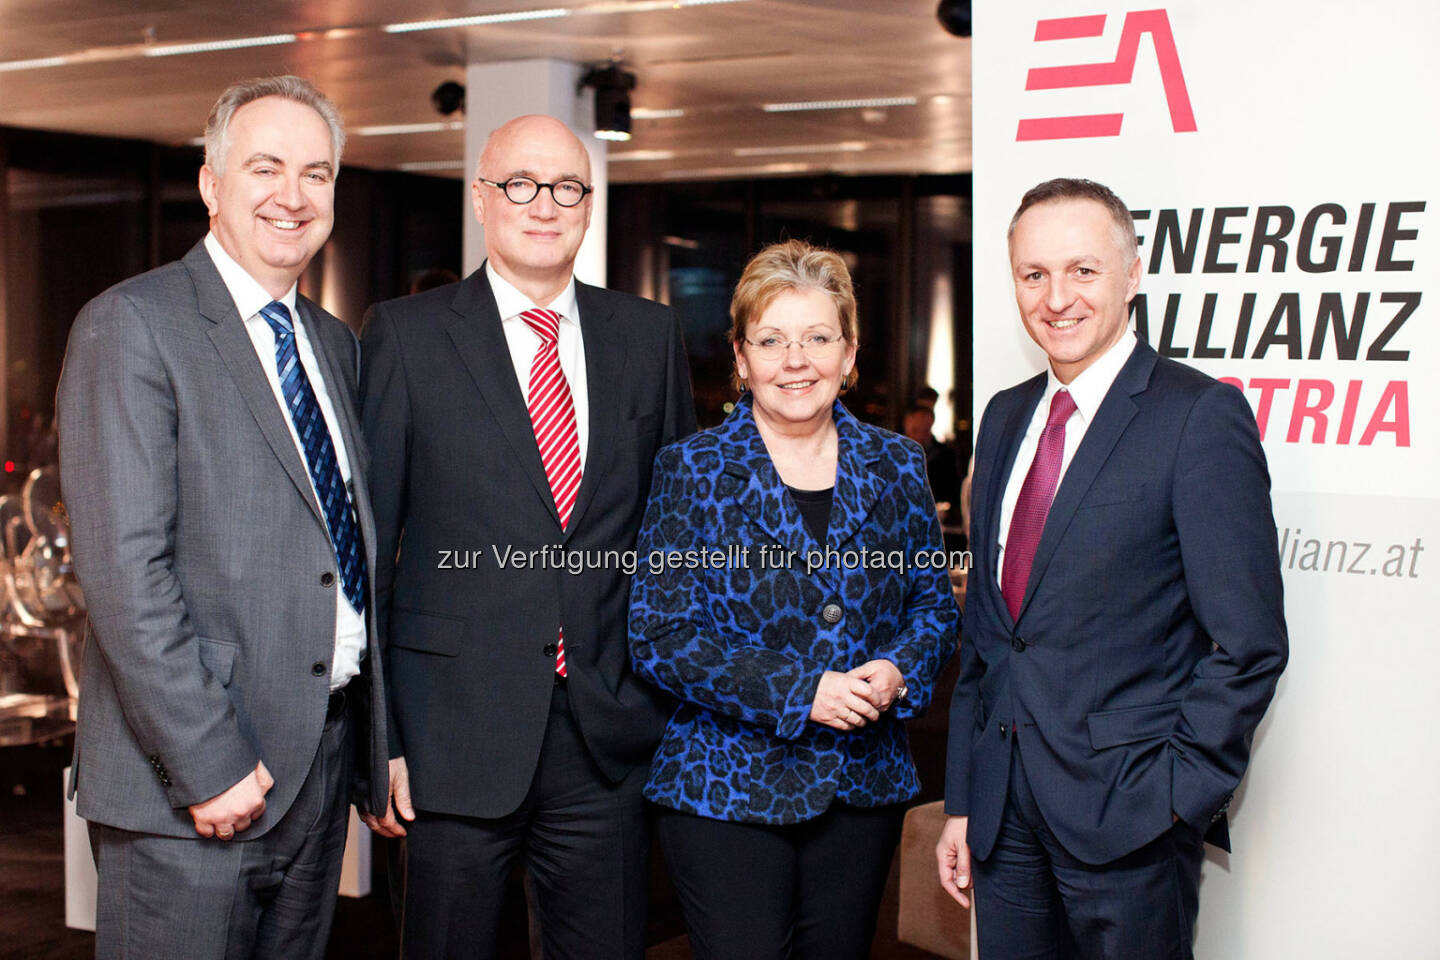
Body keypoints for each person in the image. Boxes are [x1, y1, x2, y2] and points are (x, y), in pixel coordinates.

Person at [56, 76, 389, 960]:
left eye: (316, 174)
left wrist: (369, 747)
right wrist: (210, 764)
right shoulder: (131, 325)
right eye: (266, 167)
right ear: (211, 183)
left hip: (318, 764)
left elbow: (340, 551)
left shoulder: (331, 342)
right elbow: (126, 575)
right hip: (194, 780)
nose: (293, 195)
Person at [359, 113, 697, 960]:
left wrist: (662, 708)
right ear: (482, 199)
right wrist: (380, 738)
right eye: (520, 184)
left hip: (606, 739)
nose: (544, 205)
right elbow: (368, 557)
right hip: (447, 740)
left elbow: (673, 542)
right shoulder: (405, 335)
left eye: (567, 187)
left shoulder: (648, 336)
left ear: (589, 207)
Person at [935, 178, 1288, 958]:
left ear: (1132, 274)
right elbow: (989, 639)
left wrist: (1173, 798)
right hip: (1002, 821)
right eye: (1034, 275)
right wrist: (964, 799)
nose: (1056, 297)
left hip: (1130, 824)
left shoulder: (1197, 416)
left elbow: (1249, 641)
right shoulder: (1002, 416)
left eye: (1082, 271)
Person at [629, 240, 959, 960]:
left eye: (817, 338)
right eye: (772, 340)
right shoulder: (692, 469)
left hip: (861, 783)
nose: (796, 360)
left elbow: (933, 607)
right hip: (726, 787)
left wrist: (900, 667)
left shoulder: (897, 464)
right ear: (742, 360)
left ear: (849, 354)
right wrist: (801, 691)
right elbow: (661, 634)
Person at [902, 402, 962, 507]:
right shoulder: (894, 454)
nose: (919, 437)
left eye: (924, 431)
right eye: (915, 431)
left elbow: (953, 494)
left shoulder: (946, 456)